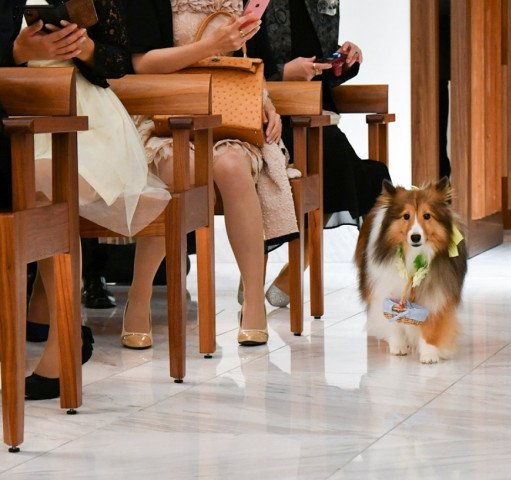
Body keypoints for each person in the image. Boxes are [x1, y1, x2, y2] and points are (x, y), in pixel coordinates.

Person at [11, 0, 172, 400]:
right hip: (15, 104)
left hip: (82, 113)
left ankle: (61, 343)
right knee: (33, 188)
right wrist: (19, 52)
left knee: (45, 187)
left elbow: (119, 60)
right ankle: (59, 331)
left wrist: (84, 50)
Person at [121, 0, 298, 348]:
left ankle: (253, 303)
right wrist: (210, 46)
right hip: (168, 117)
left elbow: (251, 60)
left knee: (232, 167)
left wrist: (265, 103)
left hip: (228, 114)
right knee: (177, 172)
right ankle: (138, 297)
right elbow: (141, 63)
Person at [245, 0, 392, 307]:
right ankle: (265, 272)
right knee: (353, 168)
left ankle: (284, 269)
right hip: (266, 116)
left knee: (349, 166)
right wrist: (284, 73)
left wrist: (343, 60)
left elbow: (318, 69)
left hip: (314, 116)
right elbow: (240, 62)